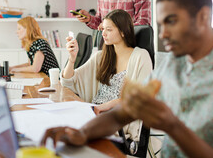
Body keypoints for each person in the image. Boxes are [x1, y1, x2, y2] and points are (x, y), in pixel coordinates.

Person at [40, 0, 213, 157]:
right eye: (160, 24)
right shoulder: (171, 69)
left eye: (171, 22)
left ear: (203, 17)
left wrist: (173, 126)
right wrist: (82, 133)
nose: (163, 34)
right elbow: (121, 113)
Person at [61, 9, 152, 142]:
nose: (103, 33)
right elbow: (68, 81)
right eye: (103, 29)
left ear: (122, 31)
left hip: (117, 120)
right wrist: (72, 58)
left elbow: (139, 98)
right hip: (95, 113)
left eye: (108, 29)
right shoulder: (101, 57)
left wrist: (101, 107)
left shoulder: (140, 56)